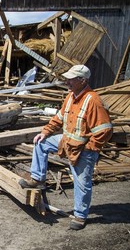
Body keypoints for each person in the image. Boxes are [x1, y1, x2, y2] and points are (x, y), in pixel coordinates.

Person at [19, 65, 113, 230]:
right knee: (41, 143)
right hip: (67, 141)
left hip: (84, 149)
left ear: (82, 80)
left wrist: (89, 148)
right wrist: (46, 132)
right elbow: (59, 118)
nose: (67, 81)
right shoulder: (71, 96)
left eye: (71, 79)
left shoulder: (93, 101)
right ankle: (38, 179)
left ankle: (80, 216)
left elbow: (105, 130)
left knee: (82, 182)